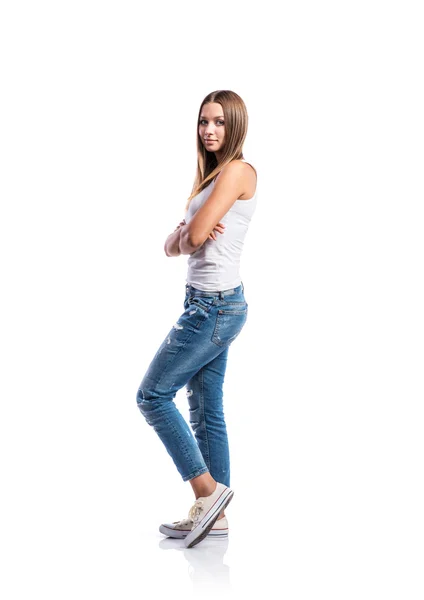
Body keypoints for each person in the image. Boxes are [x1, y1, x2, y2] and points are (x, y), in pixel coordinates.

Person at [136, 89, 258, 548]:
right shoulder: (209, 180)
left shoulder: (239, 171)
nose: (209, 130)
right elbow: (174, 244)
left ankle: (207, 493)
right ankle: (217, 518)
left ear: (236, 127)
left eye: (220, 122)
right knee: (205, 407)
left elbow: (190, 239)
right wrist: (185, 234)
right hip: (205, 303)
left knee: (152, 395)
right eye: (204, 121)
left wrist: (187, 233)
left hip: (215, 306)